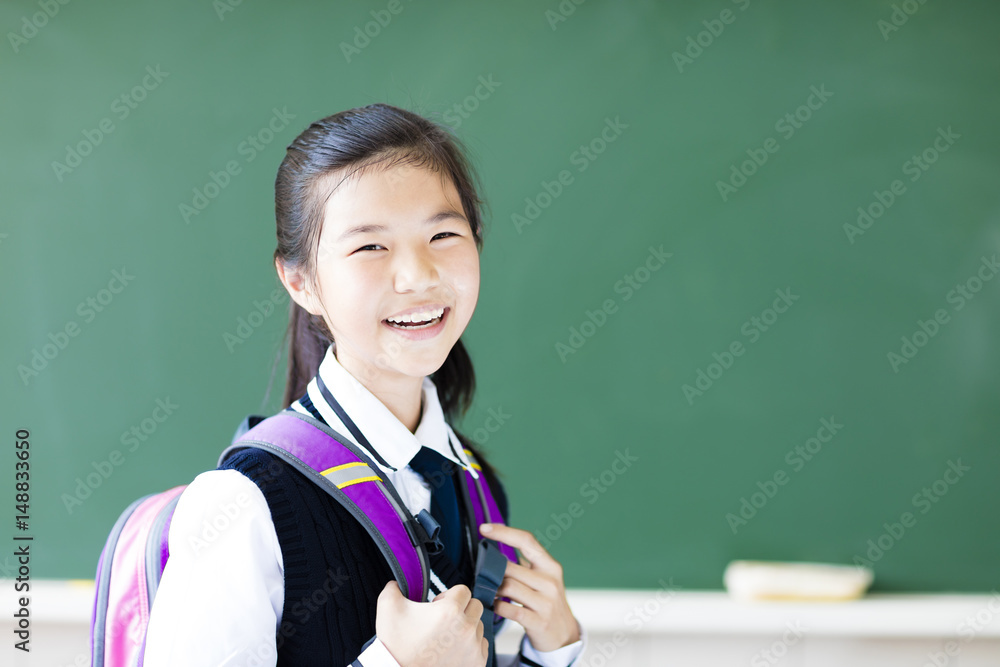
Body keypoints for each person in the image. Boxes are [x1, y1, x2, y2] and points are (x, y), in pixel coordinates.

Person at [144, 103, 586, 666]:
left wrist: (554, 650)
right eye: (370, 246)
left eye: (443, 234)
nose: (419, 275)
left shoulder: (473, 486)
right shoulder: (243, 505)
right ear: (301, 280)